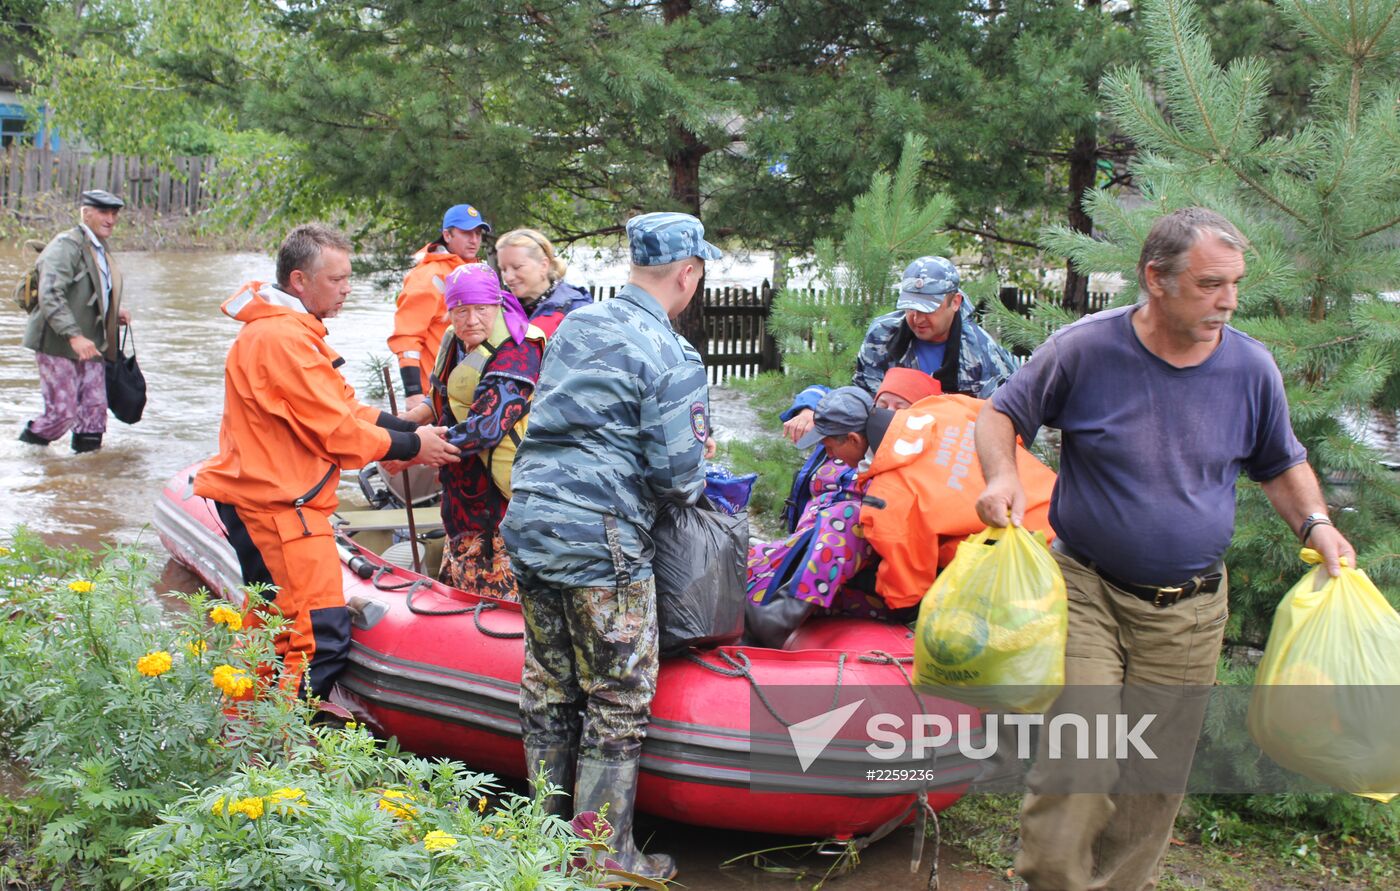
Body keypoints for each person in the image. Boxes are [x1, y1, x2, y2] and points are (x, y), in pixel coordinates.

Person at [973, 207, 1355, 891]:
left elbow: (1281, 461)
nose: (1229, 301)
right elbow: (1001, 412)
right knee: (1079, 758)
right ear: (1156, 278)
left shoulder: (1249, 367)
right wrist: (1003, 475)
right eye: (1211, 284)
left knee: (1151, 782)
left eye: (1235, 283)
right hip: (1086, 587)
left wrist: (1317, 523)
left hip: (1190, 609)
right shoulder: (1086, 350)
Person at [502, 211, 721, 881]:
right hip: (604, 544)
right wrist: (702, 457)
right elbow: (678, 479)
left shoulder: (578, 325)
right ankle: (603, 857)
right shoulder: (672, 353)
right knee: (617, 697)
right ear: (687, 274)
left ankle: (541, 845)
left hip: (532, 521)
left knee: (548, 685)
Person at [195, 224, 460, 700]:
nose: (347, 289)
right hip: (279, 507)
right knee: (319, 637)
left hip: (274, 500)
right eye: (337, 280)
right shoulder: (283, 340)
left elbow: (343, 411)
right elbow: (337, 432)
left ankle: (244, 739)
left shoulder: (288, 332)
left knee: (274, 629)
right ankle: (281, 748)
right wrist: (413, 449)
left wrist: (407, 431)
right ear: (300, 281)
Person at [397, 263, 546, 599]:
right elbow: (442, 402)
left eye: (481, 309)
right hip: (460, 491)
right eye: (460, 310)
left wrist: (409, 450)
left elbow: (487, 428)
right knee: (459, 588)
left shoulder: (519, 349)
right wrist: (403, 425)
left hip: (503, 499)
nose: (471, 319)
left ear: (498, 304)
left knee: (494, 599)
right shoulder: (454, 339)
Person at [783, 256, 1018, 445]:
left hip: (952, 454)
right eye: (910, 307)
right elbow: (862, 395)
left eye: (928, 309)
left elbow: (1001, 422)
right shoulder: (883, 333)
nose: (917, 318)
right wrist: (811, 408)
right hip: (886, 446)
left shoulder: (981, 351)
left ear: (954, 302)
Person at [20, 190, 131, 452]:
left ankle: (85, 482)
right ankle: (26, 457)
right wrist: (73, 335)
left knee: (94, 415)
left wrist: (114, 313)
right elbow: (50, 295)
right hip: (58, 344)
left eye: (114, 214)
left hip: (91, 344)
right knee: (62, 414)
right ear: (86, 213)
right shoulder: (65, 246)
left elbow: (93, 291)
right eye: (104, 212)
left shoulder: (99, 247)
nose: (111, 219)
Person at [388, 203, 491, 413]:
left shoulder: (476, 270)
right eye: (466, 233)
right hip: (436, 394)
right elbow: (407, 338)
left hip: (469, 388)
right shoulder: (428, 276)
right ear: (447, 235)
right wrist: (413, 392)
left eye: (478, 233)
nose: (474, 240)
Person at [493, 228, 593, 335]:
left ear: (544, 265)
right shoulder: (497, 307)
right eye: (503, 269)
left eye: (517, 267)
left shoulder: (576, 311)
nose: (508, 277)